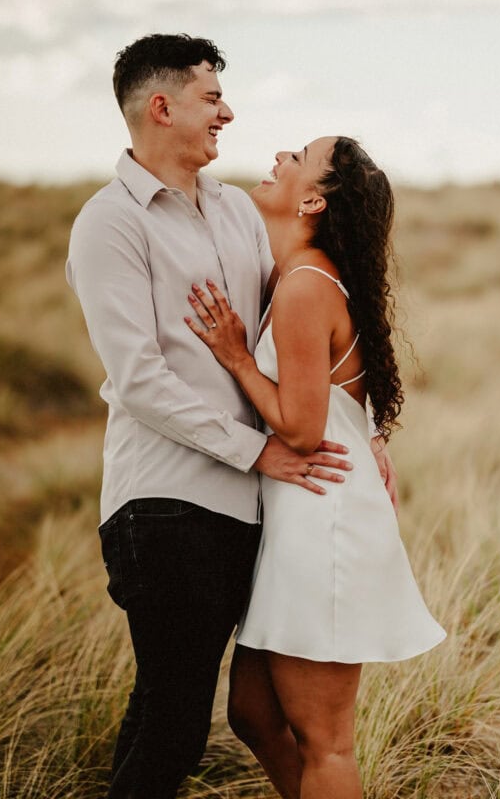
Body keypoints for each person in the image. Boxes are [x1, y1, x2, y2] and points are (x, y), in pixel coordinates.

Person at [66, 35, 397, 799]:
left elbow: (315, 333)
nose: (229, 114)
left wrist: (367, 424)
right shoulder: (109, 224)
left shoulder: (236, 214)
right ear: (162, 107)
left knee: (214, 712)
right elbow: (138, 379)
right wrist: (258, 452)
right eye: (212, 99)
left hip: (257, 512)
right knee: (177, 721)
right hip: (167, 503)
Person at [186, 135, 446, 799]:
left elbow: (301, 428)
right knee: (253, 713)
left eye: (297, 155)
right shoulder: (296, 275)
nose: (277, 156)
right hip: (299, 520)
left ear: (311, 198)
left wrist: (236, 357)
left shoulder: (305, 285)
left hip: (322, 524)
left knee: (325, 742)